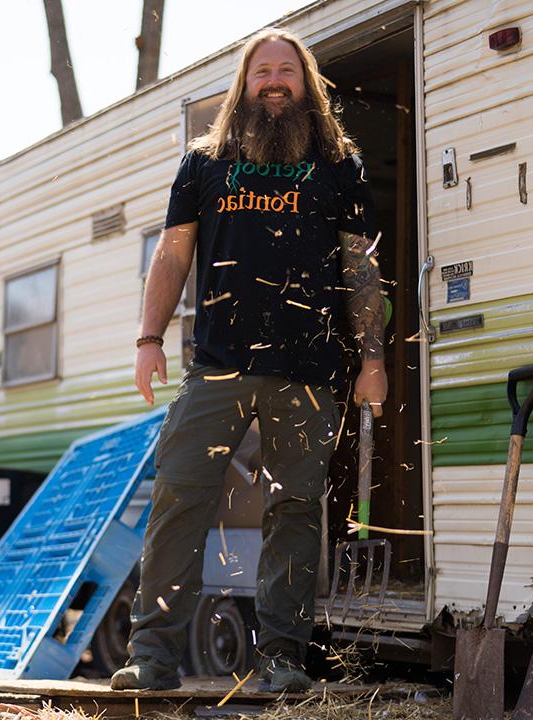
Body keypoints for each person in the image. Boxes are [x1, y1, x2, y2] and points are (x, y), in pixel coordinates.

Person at [111, 27, 387, 693]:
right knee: (181, 498)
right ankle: (153, 657)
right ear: (244, 82)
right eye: (260, 68)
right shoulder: (203, 164)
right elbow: (173, 253)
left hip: (312, 370)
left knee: (294, 510)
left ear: (306, 83)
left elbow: (361, 266)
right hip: (217, 366)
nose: (272, 79)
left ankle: (282, 660)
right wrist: (149, 341)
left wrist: (371, 358)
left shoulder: (340, 167)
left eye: (285, 69)